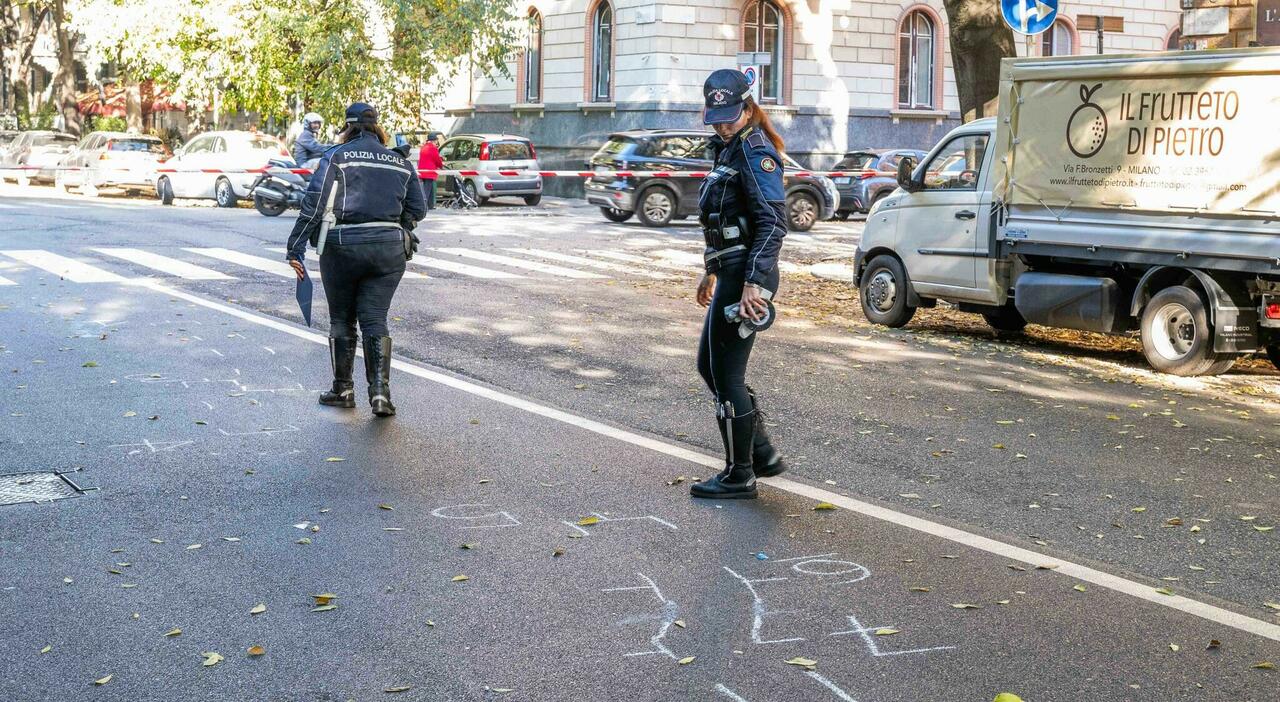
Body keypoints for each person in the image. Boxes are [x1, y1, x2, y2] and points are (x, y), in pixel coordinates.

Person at [285, 102, 426, 417]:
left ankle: (343, 389)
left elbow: (315, 203)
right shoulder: (399, 161)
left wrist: (295, 246)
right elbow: (419, 208)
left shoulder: (337, 156)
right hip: (389, 250)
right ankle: (380, 395)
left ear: (347, 127)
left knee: (342, 320)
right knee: (375, 318)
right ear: (377, 127)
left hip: (342, 248)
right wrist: (395, 224)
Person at [689, 69, 789, 500]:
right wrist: (710, 269)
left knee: (726, 373)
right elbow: (722, 219)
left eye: (730, 115)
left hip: (749, 275)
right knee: (710, 368)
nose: (723, 123)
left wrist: (752, 283)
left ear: (748, 108)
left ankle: (740, 473)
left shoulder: (753, 151)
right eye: (717, 116)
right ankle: (760, 454)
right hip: (730, 271)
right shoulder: (727, 150)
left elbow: (772, 222)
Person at [417, 131, 445, 210]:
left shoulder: (423, 147)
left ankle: (430, 205)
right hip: (429, 171)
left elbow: (429, 158)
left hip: (422, 171)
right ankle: (424, 205)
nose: (436, 142)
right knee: (427, 189)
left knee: (430, 188)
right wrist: (441, 165)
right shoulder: (433, 148)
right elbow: (437, 160)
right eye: (436, 140)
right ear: (434, 140)